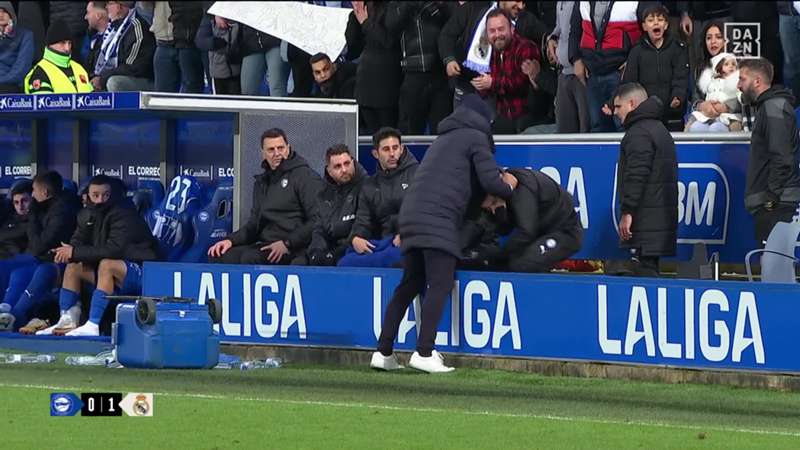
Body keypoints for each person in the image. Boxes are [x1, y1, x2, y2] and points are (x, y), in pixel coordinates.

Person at [371, 94, 517, 373]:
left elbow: (467, 189)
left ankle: (384, 351)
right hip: (437, 218)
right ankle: (424, 351)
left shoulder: (444, 139)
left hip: (412, 215)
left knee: (409, 284)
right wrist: (509, 187)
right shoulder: (475, 137)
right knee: (440, 282)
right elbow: (489, 181)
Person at [26, 175, 160, 336]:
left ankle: (93, 325)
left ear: (112, 194)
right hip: (113, 275)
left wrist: (75, 252)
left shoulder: (124, 212)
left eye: (105, 194)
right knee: (73, 266)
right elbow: (78, 240)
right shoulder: (87, 213)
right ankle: (67, 320)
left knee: (107, 264)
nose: (100, 199)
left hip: (142, 272)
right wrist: (68, 251)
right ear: (88, 195)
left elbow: (115, 250)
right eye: (95, 195)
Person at [208, 128, 323, 265]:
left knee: (251, 258)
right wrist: (230, 240)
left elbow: (318, 219)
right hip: (267, 244)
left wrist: (287, 243)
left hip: (295, 246)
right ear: (263, 153)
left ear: (288, 148)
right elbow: (253, 226)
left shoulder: (305, 176)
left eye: (280, 148)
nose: (277, 153)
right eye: (271, 150)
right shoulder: (261, 182)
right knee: (220, 255)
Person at [613, 83, 677, 277]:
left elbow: (637, 174)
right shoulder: (659, 129)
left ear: (631, 104)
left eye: (618, 107)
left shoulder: (639, 132)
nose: (615, 112)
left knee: (646, 276)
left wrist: (628, 211)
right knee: (650, 271)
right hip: (658, 220)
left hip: (645, 220)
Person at [738, 57, 800, 245]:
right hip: (774, 202)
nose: (739, 85)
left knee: (774, 267)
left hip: (777, 204)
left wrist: (770, 199)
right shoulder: (767, 107)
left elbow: (782, 158)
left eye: (742, 79)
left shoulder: (773, 107)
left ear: (757, 81)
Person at [339, 127, 418, 268]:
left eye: (395, 148)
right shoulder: (370, 185)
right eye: (386, 149)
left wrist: (408, 233)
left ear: (402, 148)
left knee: (396, 256)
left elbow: (426, 213)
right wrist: (356, 238)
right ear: (376, 153)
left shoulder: (418, 174)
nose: (392, 153)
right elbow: (363, 221)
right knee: (346, 260)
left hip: (413, 240)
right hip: (384, 243)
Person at [483, 168, 583, 273]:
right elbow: (505, 229)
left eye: (493, 203)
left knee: (523, 264)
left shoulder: (523, 190)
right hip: (541, 234)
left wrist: (499, 254)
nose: (493, 209)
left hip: (565, 232)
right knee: (504, 264)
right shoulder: (508, 188)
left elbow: (526, 232)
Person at [608, 3, 689, 131]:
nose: (656, 23)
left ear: (666, 25)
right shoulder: (637, 51)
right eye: (651, 20)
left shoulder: (678, 48)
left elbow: (681, 77)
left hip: (672, 112)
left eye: (660, 20)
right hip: (645, 115)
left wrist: (677, 96)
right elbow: (628, 82)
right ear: (644, 26)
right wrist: (612, 102)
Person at [570, 1, 642, 132]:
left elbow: (647, 29)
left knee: (624, 125)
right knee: (597, 127)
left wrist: (633, 61)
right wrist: (575, 59)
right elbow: (575, 29)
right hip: (592, 74)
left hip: (620, 74)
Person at [386, 1, 453, 135]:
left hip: (439, 73)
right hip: (412, 74)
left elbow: (451, 22)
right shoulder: (396, 5)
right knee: (410, 130)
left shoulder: (439, 5)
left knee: (442, 129)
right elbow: (392, 26)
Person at [472, 9, 541, 134]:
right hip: (503, 117)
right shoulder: (489, 53)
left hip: (528, 117)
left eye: (501, 29)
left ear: (512, 29)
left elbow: (521, 82)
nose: (497, 34)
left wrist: (492, 83)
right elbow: (485, 92)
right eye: (492, 31)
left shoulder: (526, 47)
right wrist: (481, 84)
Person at [345, 1, 402, 134]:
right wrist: (355, 16)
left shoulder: (393, 8)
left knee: (388, 135)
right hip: (365, 87)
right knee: (373, 138)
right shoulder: (362, 11)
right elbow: (353, 47)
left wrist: (365, 23)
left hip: (387, 86)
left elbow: (387, 41)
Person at [307, 145, 366, 266]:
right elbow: (319, 229)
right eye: (338, 166)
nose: (344, 169)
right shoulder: (323, 194)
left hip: (353, 249)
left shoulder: (367, 187)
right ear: (329, 171)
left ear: (353, 162)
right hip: (330, 250)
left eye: (347, 163)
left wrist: (335, 254)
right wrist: (316, 251)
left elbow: (363, 228)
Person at [92, 0, 155, 92]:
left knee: (114, 82)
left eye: (109, 3)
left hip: (141, 81)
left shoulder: (136, 27)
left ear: (119, 7)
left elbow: (133, 67)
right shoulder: (112, 29)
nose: (106, 7)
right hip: (111, 76)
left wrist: (102, 78)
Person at [547, 1, 589, 133]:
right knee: (565, 130)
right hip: (563, 72)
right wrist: (552, 38)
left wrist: (578, 58)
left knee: (586, 128)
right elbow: (559, 27)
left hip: (582, 72)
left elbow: (586, 29)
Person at [24, 19, 93, 93]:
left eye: (69, 43)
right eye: (62, 43)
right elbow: (43, 103)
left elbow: (93, 100)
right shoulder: (40, 72)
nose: (67, 48)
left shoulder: (79, 68)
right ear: (51, 44)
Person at [150, 1, 205, 93]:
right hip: (162, 41)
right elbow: (143, 6)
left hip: (189, 41)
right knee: (162, 96)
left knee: (191, 93)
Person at [686, 52, 742, 132]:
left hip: (728, 116)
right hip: (709, 115)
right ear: (719, 67)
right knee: (696, 127)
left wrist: (728, 107)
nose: (731, 66)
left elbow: (741, 99)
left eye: (733, 64)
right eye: (726, 64)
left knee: (717, 128)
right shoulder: (711, 82)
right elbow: (705, 97)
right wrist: (707, 106)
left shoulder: (737, 82)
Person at [194, 11, 242, 95]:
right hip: (218, 72)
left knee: (237, 102)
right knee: (220, 102)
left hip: (237, 70)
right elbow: (200, 40)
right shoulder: (210, 17)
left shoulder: (240, 15)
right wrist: (214, 43)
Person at [0, 2, 34, 93]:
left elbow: (22, 67)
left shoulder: (25, 35)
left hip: (12, 86)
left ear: (11, 15)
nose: (0, 15)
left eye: (5, 11)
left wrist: (8, 36)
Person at [0, 180, 33, 261]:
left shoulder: (36, 222)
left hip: (14, 262)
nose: (20, 206)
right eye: (16, 202)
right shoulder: (8, 218)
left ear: (33, 199)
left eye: (24, 201)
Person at [85, 1, 110, 80]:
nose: (85, 17)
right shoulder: (93, 37)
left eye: (88, 13)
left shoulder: (115, 37)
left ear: (98, 16)